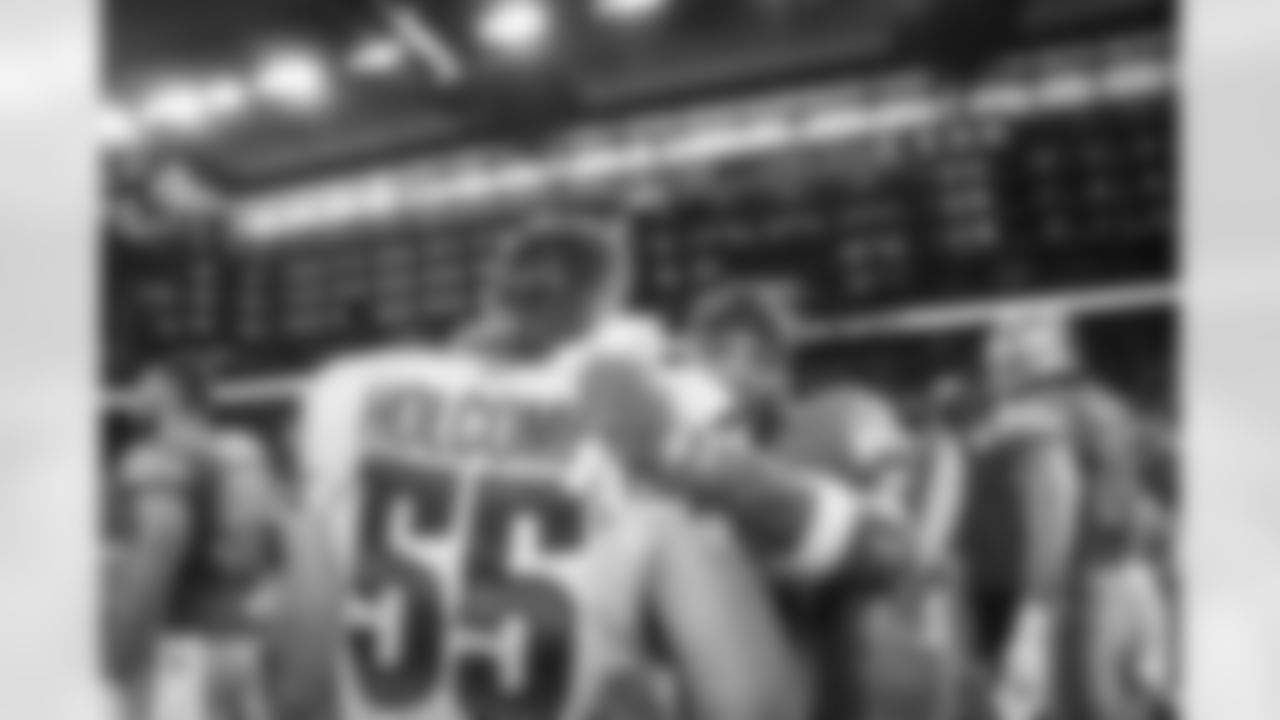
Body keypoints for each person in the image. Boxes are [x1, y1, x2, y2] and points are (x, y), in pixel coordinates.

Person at [273, 216, 807, 720]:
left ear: (495, 291)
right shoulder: (643, 417)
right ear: (605, 303)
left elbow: (296, 686)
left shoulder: (352, 397)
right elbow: (754, 706)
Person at [579, 282, 970, 720]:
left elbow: (896, 548)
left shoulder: (840, 419)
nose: (696, 381)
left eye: (708, 358)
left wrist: (724, 478)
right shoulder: (672, 470)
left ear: (748, 355)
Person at [957, 308, 1169, 720]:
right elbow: (1150, 508)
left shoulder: (1033, 419)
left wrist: (1034, 613)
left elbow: (1054, 509)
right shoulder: (1108, 405)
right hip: (1135, 579)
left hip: (1085, 591)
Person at [105, 358, 284, 720]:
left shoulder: (158, 458)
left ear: (168, 391)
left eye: (142, 383)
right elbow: (278, 554)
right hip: (241, 643)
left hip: (179, 652)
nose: (132, 392)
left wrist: (119, 654)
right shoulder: (244, 456)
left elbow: (155, 555)